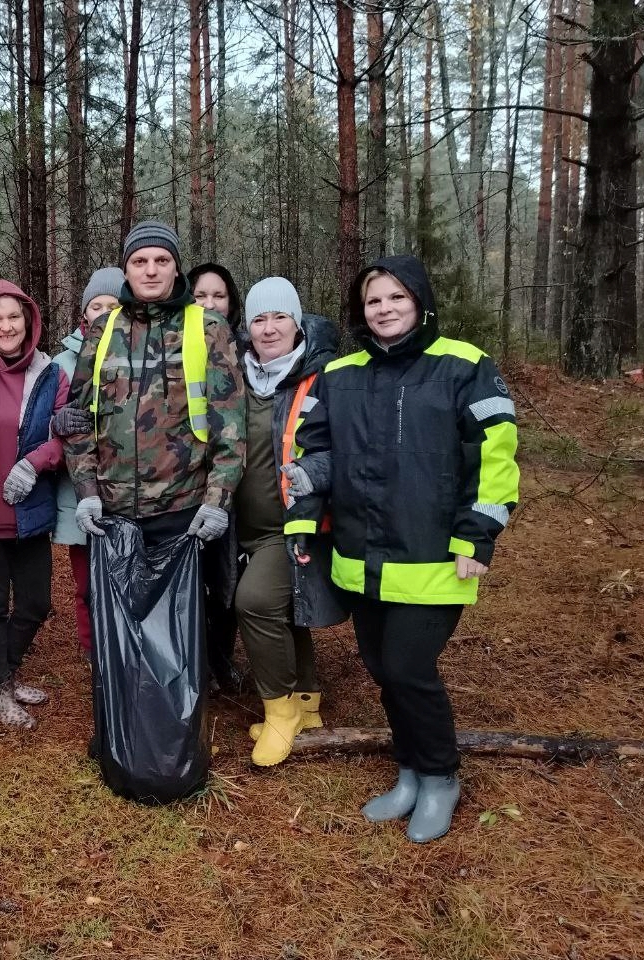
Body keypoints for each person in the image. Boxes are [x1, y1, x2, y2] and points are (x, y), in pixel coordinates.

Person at [286, 254, 519, 843]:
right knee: (382, 671)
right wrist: (305, 522)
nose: (384, 309)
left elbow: (496, 457)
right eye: (373, 300)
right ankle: (410, 772)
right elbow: (314, 457)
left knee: (410, 669)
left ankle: (441, 777)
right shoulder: (339, 374)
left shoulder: (465, 366)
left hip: (435, 555)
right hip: (361, 555)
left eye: (395, 297)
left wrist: (477, 536)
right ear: (359, 311)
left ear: (418, 300)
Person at [63, 220, 245, 592]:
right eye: (140, 260)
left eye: (162, 260)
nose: (150, 270)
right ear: (126, 269)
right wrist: (86, 493)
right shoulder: (103, 331)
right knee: (120, 633)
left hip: (183, 512)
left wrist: (217, 501)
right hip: (112, 512)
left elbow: (230, 426)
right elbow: (80, 420)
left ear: (176, 267)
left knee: (181, 633)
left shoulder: (208, 328)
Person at [230, 277, 339, 767]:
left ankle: (280, 713)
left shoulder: (321, 377)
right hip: (242, 524)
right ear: (246, 326)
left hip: (294, 524)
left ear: (297, 322)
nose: (269, 328)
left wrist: (310, 475)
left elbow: (341, 449)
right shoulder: (236, 375)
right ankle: (306, 699)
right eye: (259, 318)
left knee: (254, 602)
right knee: (284, 608)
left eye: (279, 317)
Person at [0, 280, 69, 728]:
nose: (6, 326)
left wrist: (35, 462)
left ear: (29, 321)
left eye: (14, 317)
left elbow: (65, 434)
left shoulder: (51, 373)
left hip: (30, 510)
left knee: (35, 603)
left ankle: (7, 671)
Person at [52, 267, 124, 654]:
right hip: (78, 491)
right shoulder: (61, 363)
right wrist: (56, 420)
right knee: (86, 582)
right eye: (96, 305)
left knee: (125, 575)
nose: (104, 312)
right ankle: (91, 648)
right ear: (84, 314)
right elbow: (40, 420)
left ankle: (122, 646)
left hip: (129, 489)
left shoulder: (141, 354)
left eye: (112, 304)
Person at [187, 262, 247, 693]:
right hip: (193, 486)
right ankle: (198, 664)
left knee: (232, 581)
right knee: (199, 577)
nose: (210, 304)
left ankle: (223, 660)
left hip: (244, 489)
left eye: (218, 296)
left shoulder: (250, 350)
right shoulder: (180, 345)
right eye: (200, 296)